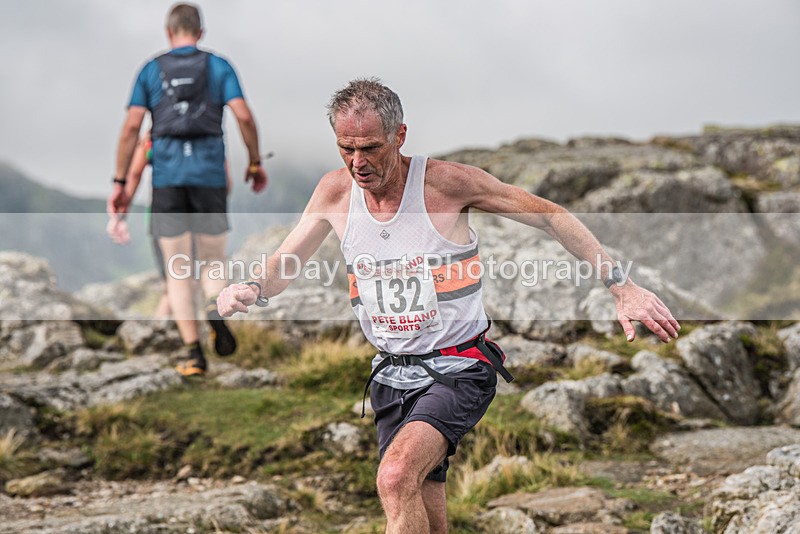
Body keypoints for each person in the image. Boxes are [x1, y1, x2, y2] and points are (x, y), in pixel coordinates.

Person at [216, 78, 680, 533]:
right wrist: (252, 288)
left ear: (400, 136)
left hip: (459, 367)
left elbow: (552, 217)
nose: (358, 162)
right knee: (421, 502)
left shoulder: (447, 184)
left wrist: (622, 286)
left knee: (395, 478)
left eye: (371, 148)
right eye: (346, 148)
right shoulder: (334, 192)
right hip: (390, 374)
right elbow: (286, 263)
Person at [108, 3, 268, 376]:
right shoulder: (218, 66)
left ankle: (194, 355)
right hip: (209, 177)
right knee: (213, 259)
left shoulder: (151, 69)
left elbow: (131, 128)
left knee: (177, 270)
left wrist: (119, 183)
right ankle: (215, 304)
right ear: (200, 32)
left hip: (168, 181)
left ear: (169, 32)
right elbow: (243, 116)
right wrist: (256, 162)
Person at [107, 131, 231, 319]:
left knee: (173, 281)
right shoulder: (209, 134)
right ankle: (211, 309)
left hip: (164, 214)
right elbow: (227, 181)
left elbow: (134, 174)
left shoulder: (152, 138)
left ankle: (160, 335)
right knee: (201, 273)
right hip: (204, 209)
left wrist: (121, 215)